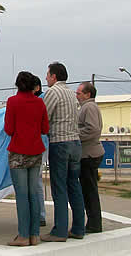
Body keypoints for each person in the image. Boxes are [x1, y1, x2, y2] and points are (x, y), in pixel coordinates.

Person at [41, 62, 85, 242]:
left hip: (60, 142)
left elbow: (44, 116)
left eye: (48, 75)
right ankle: (78, 228)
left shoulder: (53, 92)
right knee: (74, 185)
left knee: (59, 188)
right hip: (76, 142)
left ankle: (59, 231)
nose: (46, 78)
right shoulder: (72, 93)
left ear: (54, 76)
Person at [4, 72, 49, 246]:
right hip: (36, 151)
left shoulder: (12, 101)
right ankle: (35, 235)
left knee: (22, 194)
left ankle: (23, 235)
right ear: (33, 86)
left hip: (18, 151)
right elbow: (45, 128)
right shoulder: (40, 102)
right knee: (33, 193)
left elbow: (8, 129)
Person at [76, 82, 105, 234]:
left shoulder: (89, 107)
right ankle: (93, 222)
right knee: (88, 190)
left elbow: (92, 130)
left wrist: (74, 135)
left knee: (89, 191)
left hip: (89, 154)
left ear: (88, 94)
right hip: (89, 153)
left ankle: (94, 223)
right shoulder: (87, 107)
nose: (77, 95)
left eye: (79, 93)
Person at [32, 75, 48, 227]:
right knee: (35, 181)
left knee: (35, 181)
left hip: (38, 146)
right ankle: (39, 214)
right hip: (41, 145)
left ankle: (39, 215)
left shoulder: (41, 101)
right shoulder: (41, 100)